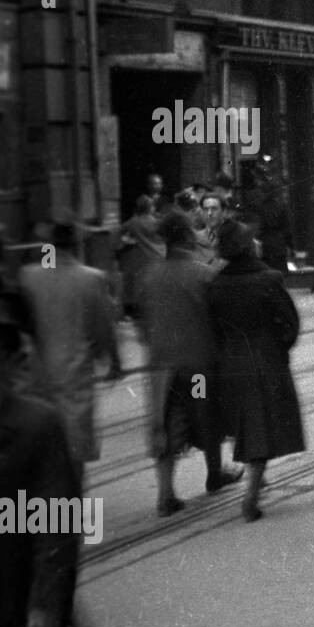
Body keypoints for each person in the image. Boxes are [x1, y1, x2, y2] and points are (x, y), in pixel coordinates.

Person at [0, 301, 86, 627]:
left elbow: (56, 518)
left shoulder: (38, 426)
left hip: (20, 605)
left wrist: (46, 601)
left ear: (12, 366)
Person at [139, 212, 243, 516]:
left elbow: (143, 326)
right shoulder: (204, 274)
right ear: (186, 237)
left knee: (164, 423)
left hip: (162, 368)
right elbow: (220, 321)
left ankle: (165, 493)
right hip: (198, 367)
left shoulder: (148, 276)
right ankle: (214, 474)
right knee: (206, 415)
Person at [207, 220, 305, 521]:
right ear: (249, 246)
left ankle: (256, 478)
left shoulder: (215, 283)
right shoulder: (268, 278)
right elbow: (290, 323)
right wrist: (279, 348)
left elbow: (212, 328)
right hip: (265, 358)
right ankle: (250, 496)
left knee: (245, 422)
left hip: (230, 361)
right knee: (262, 427)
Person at [19, 222, 122, 484]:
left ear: (48, 246)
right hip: (74, 376)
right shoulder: (90, 278)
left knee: (41, 446)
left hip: (36, 376)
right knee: (74, 450)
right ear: (76, 245)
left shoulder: (29, 276)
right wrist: (113, 361)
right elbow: (102, 327)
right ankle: (70, 511)